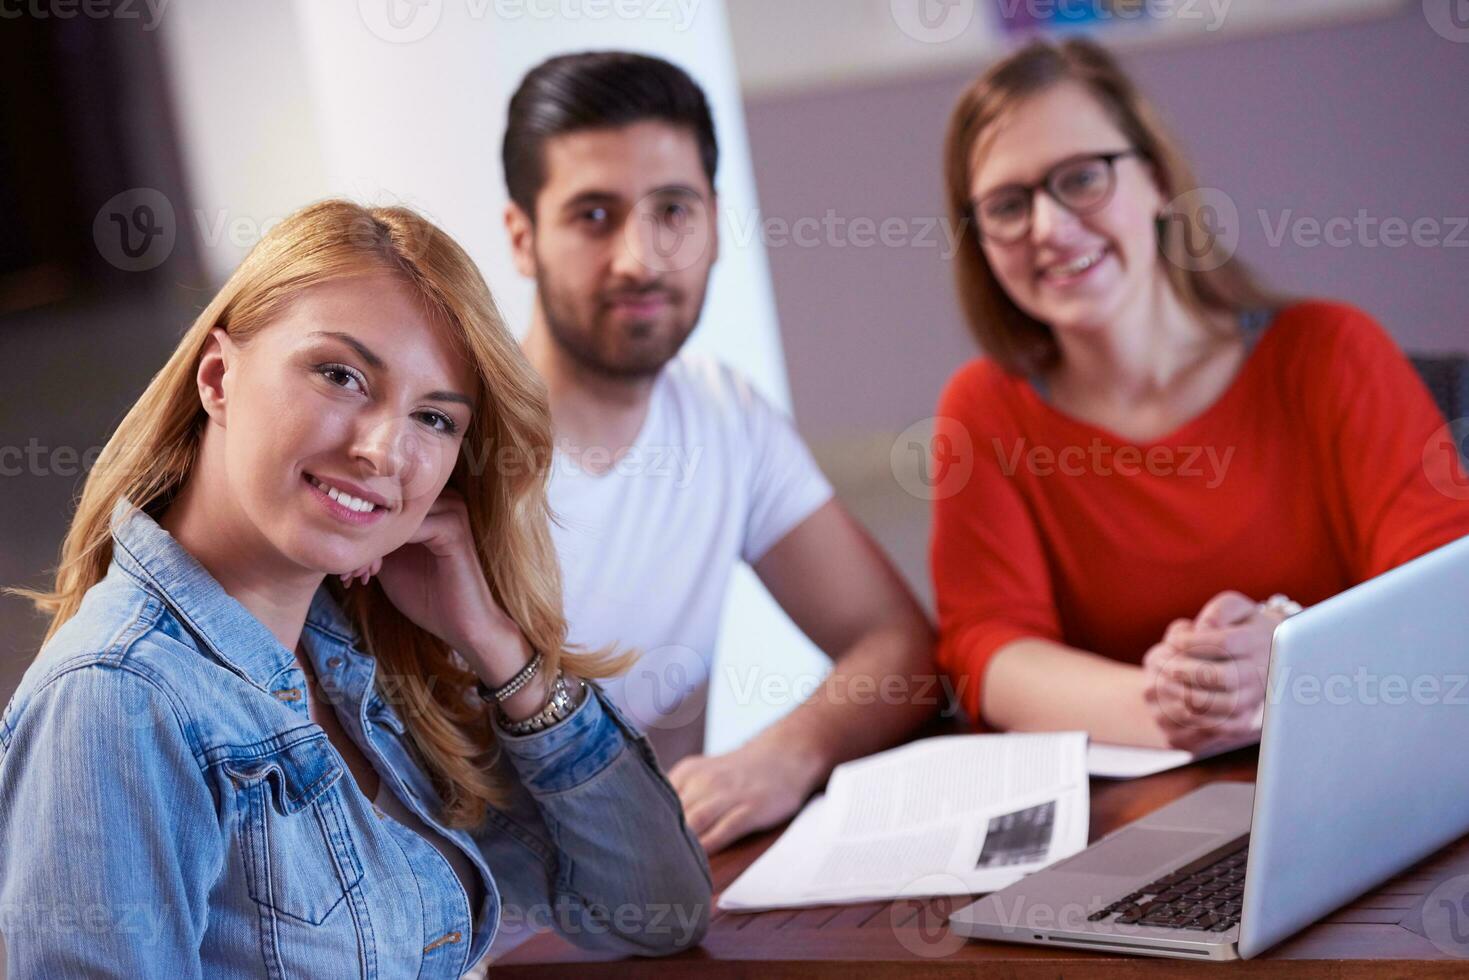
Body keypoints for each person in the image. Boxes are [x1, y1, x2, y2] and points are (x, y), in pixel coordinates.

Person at [0, 200, 710, 976]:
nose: (382, 451)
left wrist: (500, 650)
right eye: (340, 375)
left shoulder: (360, 671)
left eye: (434, 419)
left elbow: (657, 910)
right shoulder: (117, 700)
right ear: (217, 378)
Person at [932, 38, 1469, 754]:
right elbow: (986, 646)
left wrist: (1285, 661)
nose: (1048, 228)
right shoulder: (982, 411)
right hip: (1151, 813)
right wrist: (1178, 701)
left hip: (1356, 763)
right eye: (1005, 204)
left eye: (1080, 179)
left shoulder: (1329, 351)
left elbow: (1441, 594)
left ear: (1154, 180)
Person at [501, 51, 937, 855]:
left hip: (668, 904)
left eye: (672, 210)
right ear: (521, 238)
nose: (639, 257)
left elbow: (897, 648)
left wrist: (782, 756)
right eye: (593, 215)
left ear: (713, 221)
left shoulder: (722, 415)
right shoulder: (442, 440)